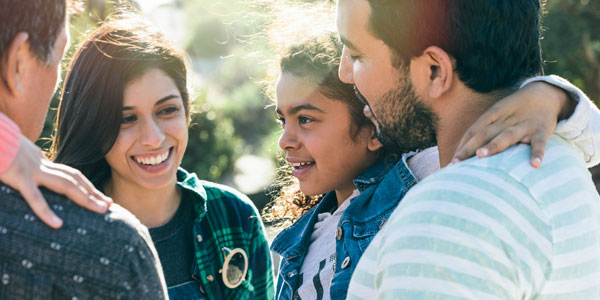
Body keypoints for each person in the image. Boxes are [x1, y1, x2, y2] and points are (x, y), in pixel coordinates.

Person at [267, 30, 600, 300]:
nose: (285, 139)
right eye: (282, 120)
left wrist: (551, 96)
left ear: (373, 127)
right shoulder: (295, 243)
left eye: (306, 119)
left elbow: (588, 137)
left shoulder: (420, 176)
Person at [51, 16, 274, 300]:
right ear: (93, 125)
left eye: (167, 110)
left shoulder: (235, 217)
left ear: (186, 110)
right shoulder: (62, 238)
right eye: (127, 119)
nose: (154, 138)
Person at [0, 0, 168, 298]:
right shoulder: (116, 249)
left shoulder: (230, 212)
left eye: (167, 110)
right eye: (59, 59)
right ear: (19, 62)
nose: (153, 138)